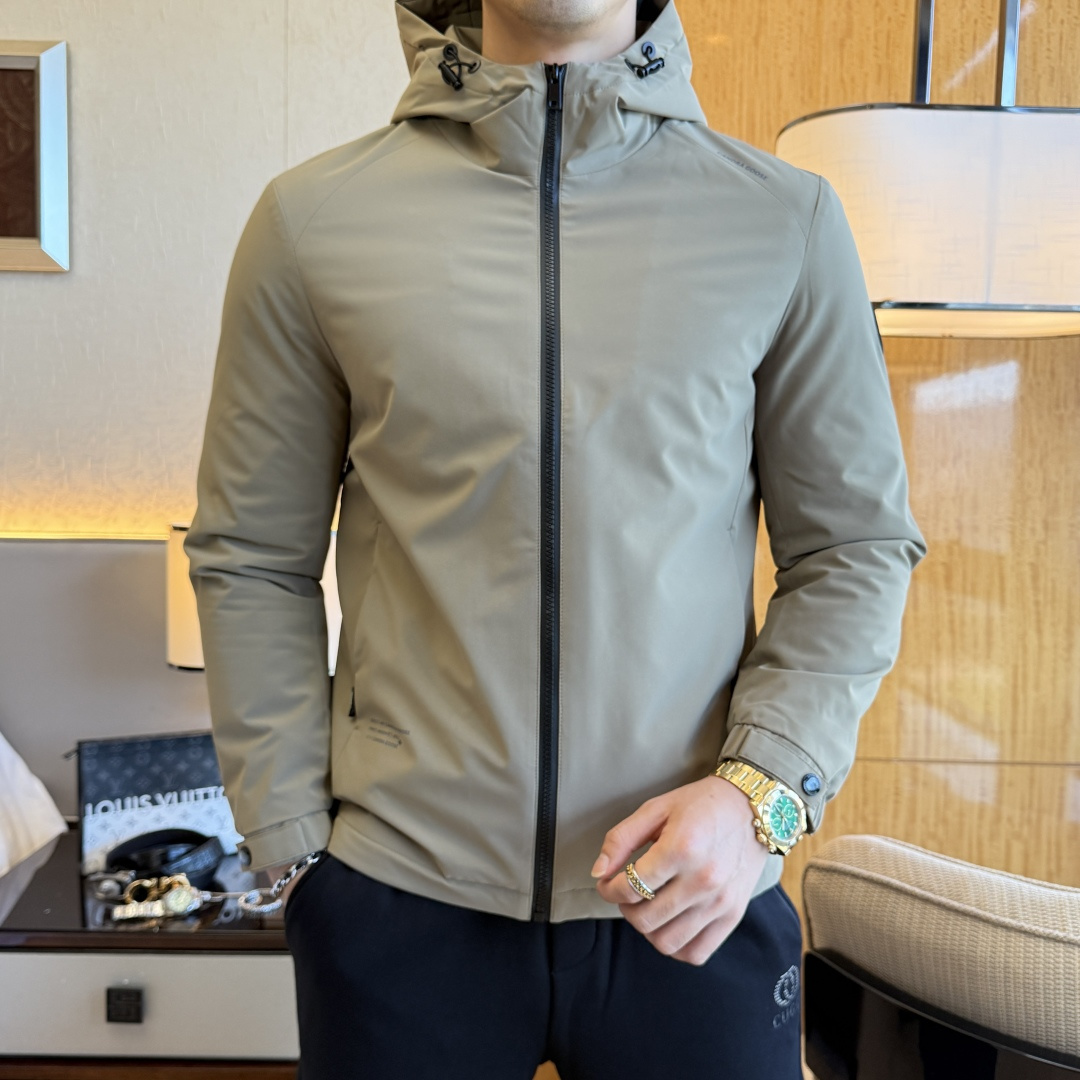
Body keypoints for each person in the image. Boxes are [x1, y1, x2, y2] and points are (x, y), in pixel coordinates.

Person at [184, 0, 926, 1075]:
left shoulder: (784, 221)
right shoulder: (313, 223)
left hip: (696, 896)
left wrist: (759, 797)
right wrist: (295, 847)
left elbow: (853, 549)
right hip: (398, 901)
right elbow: (251, 554)